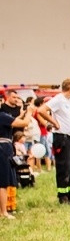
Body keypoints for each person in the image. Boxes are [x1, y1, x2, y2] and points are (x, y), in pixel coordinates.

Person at [43, 80, 70, 205]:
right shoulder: (58, 99)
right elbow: (41, 110)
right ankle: (62, 196)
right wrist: (54, 123)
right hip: (61, 137)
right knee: (64, 166)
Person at [0, 90, 21, 218]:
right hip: (3, 148)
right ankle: (4, 211)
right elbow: (22, 124)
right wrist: (29, 113)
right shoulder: (2, 116)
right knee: (3, 182)